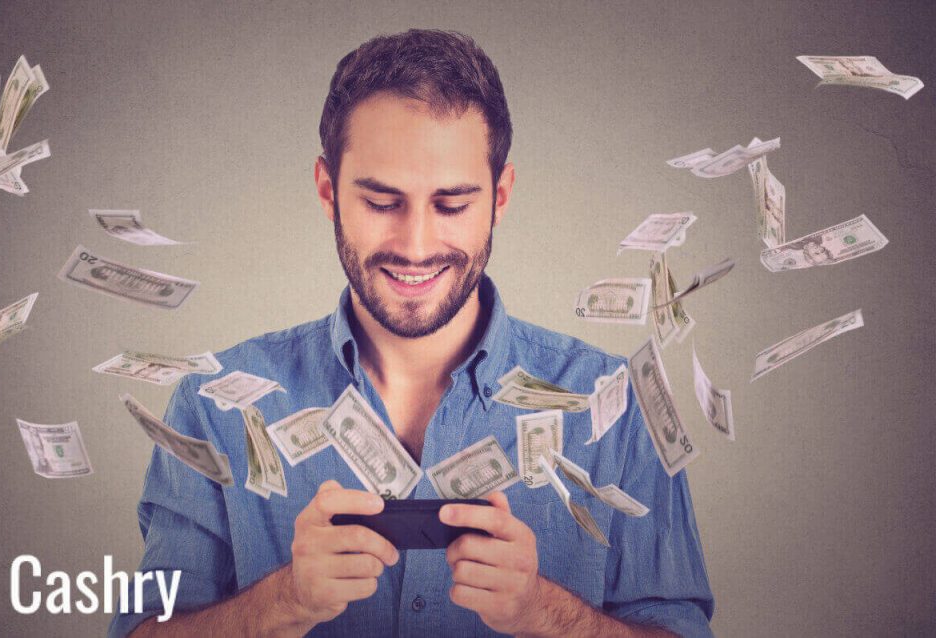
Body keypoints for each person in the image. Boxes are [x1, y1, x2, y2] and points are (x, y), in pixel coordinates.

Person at [110, 29, 713, 637]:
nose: (416, 246)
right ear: (328, 191)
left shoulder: (612, 405)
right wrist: (282, 601)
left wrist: (545, 615)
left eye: (451, 205)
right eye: (380, 202)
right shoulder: (213, 409)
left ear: (500, 196)